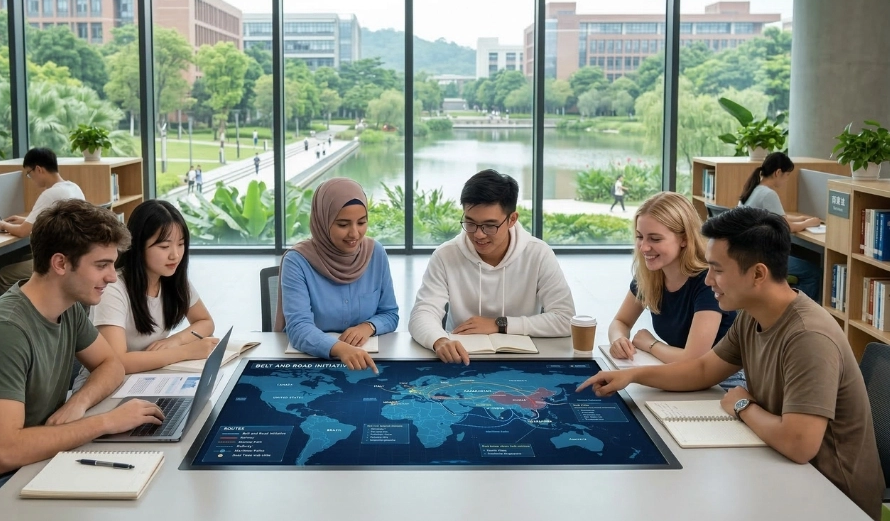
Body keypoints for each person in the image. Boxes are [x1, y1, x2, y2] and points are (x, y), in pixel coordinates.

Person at [578, 207, 884, 521]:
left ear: (758, 274)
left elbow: (799, 444)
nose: (708, 279)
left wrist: (740, 404)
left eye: (717, 270)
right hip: (783, 470)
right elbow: (701, 370)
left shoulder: (808, 337)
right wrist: (632, 375)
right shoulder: (752, 314)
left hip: (833, 499)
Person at [0, 199, 165, 521]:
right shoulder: (5, 332)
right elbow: (5, 453)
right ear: (61, 263)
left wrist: (78, 404)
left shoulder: (68, 308)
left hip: (30, 467)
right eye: (101, 265)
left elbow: (112, 365)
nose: (111, 277)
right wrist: (105, 422)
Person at [409, 169, 577, 365]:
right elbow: (422, 313)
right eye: (470, 223)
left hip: (524, 359)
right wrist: (440, 340)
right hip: (462, 358)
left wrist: (500, 324)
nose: (478, 235)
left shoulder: (538, 253)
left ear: (512, 219)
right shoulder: (446, 255)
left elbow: (566, 319)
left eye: (490, 225)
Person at [74, 200, 218, 390]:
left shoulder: (172, 279)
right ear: (138, 245)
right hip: (104, 388)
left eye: (181, 244)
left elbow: (206, 322)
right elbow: (116, 362)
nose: (175, 255)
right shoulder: (114, 287)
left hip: (148, 378)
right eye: (164, 247)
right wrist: (185, 351)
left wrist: (175, 340)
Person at [607, 193, 742, 387]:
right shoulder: (650, 274)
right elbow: (620, 321)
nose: (644, 247)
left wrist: (650, 344)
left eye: (655, 239)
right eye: (639, 237)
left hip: (724, 381)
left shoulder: (708, 281)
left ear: (684, 239)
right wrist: (618, 339)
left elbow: (693, 359)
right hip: (682, 371)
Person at [276, 178, 398, 373]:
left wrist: (368, 327)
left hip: (366, 362)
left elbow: (390, 314)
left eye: (362, 222)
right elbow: (298, 328)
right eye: (343, 224)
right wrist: (341, 349)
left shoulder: (375, 253)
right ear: (322, 221)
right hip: (312, 364)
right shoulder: (297, 261)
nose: (355, 234)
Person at [0, 148, 86, 295]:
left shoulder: (50, 193)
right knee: (24, 257)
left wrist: (2, 224)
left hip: (62, 258)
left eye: (29, 174)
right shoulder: (73, 187)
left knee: (4, 274)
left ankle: (17, 315)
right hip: (75, 252)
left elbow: (23, 231)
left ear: (38, 169)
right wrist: (26, 220)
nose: (31, 179)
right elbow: (58, 219)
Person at [738, 152, 821, 301]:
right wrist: (809, 223)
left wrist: (800, 218)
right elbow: (786, 226)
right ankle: (795, 312)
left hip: (747, 252)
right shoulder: (768, 194)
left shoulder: (753, 189)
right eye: (787, 175)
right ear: (778, 173)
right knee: (813, 273)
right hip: (761, 256)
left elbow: (776, 218)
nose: (787, 180)